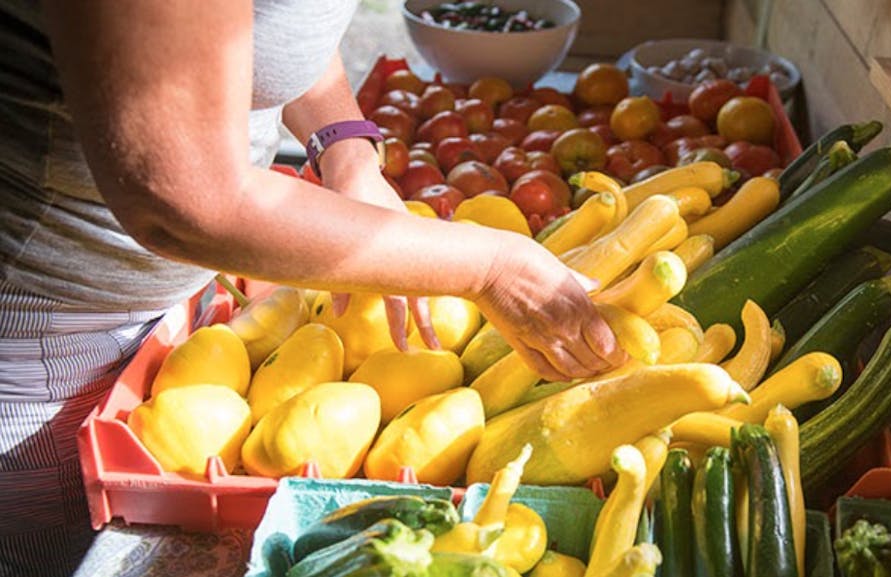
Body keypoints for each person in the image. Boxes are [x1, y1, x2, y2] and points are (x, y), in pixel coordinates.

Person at [0, 1, 626, 574]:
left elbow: (274, 26)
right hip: (41, 342)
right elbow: (182, 200)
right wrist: (488, 267)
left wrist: (345, 146)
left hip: (161, 309)